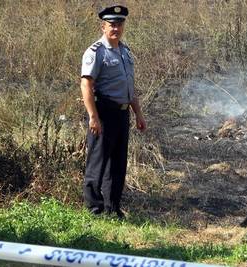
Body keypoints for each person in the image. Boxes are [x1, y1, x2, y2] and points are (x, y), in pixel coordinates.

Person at [80, 4, 146, 219]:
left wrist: (138, 114)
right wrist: (93, 117)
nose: (116, 28)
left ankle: (112, 208)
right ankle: (94, 209)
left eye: (119, 24)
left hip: (122, 113)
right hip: (104, 112)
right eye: (112, 25)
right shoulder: (95, 52)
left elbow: (129, 87)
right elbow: (86, 85)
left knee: (117, 164)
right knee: (98, 162)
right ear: (103, 26)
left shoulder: (125, 51)